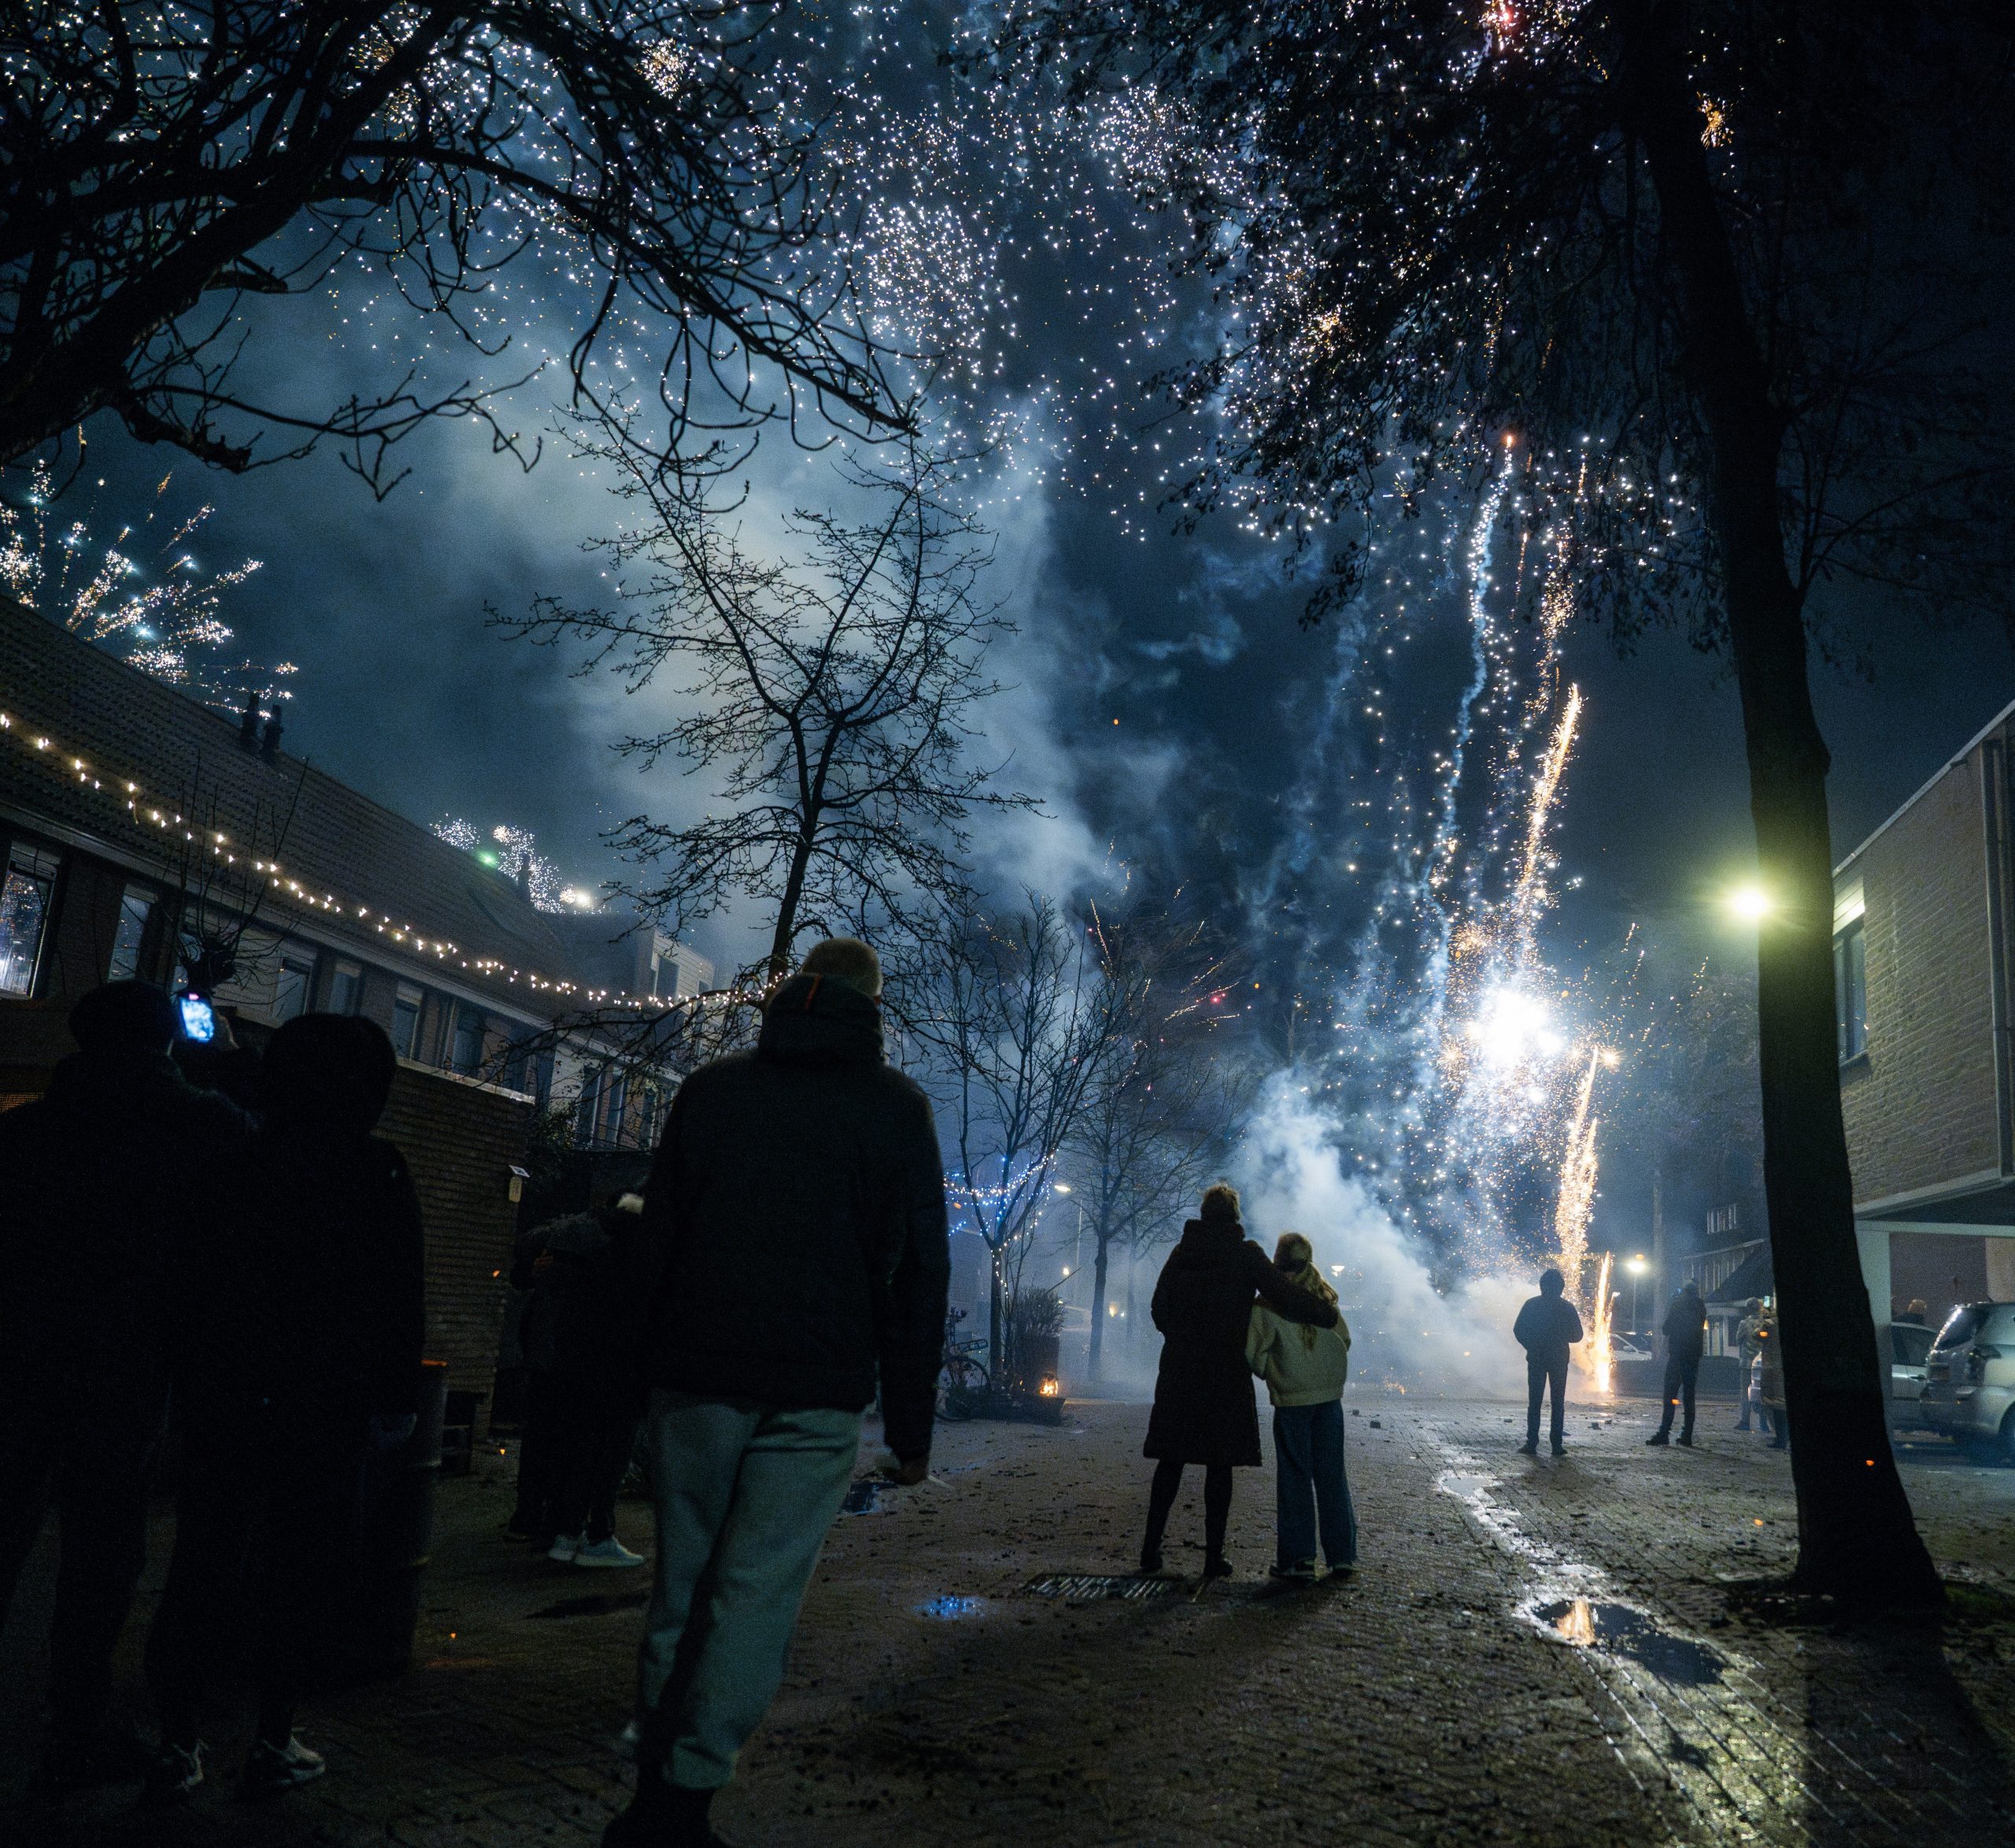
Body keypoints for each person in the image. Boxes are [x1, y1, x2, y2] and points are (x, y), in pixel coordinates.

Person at [607, 937, 948, 1848]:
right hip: (816, 1385)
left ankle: (650, 1779)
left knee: (682, 1579)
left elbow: (658, 1241)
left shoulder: (712, 1091)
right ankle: (687, 1794)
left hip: (696, 1374)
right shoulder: (895, 1110)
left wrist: (629, 1375)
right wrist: (911, 1427)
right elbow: (918, 1273)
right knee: (755, 1592)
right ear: (871, 1002)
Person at [146, 1014, 424, 1801]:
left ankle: (177, 1743)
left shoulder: (235, 1161)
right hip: (327, 1404)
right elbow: (399, 1296)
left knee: (201, 1561)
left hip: (228, 1393)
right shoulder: (377, 1171)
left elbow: (188, 1282)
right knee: (301, 1571)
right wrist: (395, 1400)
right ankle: (271, 1736)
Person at [0, 981, 246, 1794]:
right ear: (168, 1039)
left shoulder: (27, 1131)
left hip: (21, 1356)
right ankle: (74, 1724)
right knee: (103, 1552)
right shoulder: (203, 1127)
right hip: (130, 1366)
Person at [1140, 1184, 1340, 1582]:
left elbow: (1158, 1307)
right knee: (1219, 1465)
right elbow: (1284, 1295)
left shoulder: (1182, 1253)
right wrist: (1324, 1313)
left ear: (1203, 1213)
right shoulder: (1245, 1254)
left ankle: (1150, 1550)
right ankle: (1213, 1558)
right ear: (1235, 1216)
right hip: (1225, 1373)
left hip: (1180, 1371)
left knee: (1171, 1461)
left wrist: (1180, 1337)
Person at [542, 1191, 651, 1569]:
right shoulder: (643, 1266)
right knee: (611, 1459)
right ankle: (598, 1536)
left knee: (578, 1451)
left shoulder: (590, 1259)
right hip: (623, 1379)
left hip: (580, 1374)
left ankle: (565, 1532)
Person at [1245, 1233, 1355, 1581]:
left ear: (1278, 1262)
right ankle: (1341, 1558)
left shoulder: (1266, 1305)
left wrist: (1276, 1373)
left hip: (1293, 1401)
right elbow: (1345, 1340)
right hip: (1329, 1400)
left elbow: (1253, 1354)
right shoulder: (1325, 1299)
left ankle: (1299, 1561)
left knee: (1295, 1478)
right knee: (1332, 1476)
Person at [1513, 1270, 1584, 1457]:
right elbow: (1578, 1335)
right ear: (1561, 1287)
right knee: (1558, 1402)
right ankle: (1556, 1445)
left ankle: (1532, 1443)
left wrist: (1531, 1345)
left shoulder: (1531, 1305)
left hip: (1536, 1358)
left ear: (1542, 1286)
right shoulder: (1567, 1307)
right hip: (1559, 1359)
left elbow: (1518, 1329)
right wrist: (1561, 1338)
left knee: (1534, 1401)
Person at [1647, 1280, 1707, 1447]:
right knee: (1689, 1397)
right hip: (1694, 1357)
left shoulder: (1678, 1304)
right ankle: (1687, 1435)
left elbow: (1666, 1328)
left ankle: (1664, 1433)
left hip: (1678, 1355)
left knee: (1670, 1395)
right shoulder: (1701, 1307)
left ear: (1684, 1292)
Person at [1733, 1298, 1767, 1432]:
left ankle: (1745, 1421)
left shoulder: (1744, 1323)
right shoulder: (1765, 1323)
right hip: (1762, 1363)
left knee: (1745, 1392)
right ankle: (1763, 1422)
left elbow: (1738, 1339)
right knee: (1762, 1392)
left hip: (1747, 1363)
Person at [1757, 1309, 1788, 1448]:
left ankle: (1781, 1439)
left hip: (1772, 1368)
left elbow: (1756, 1335)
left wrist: (1763, 1321)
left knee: (1775, 1403)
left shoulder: (1769, 1324)